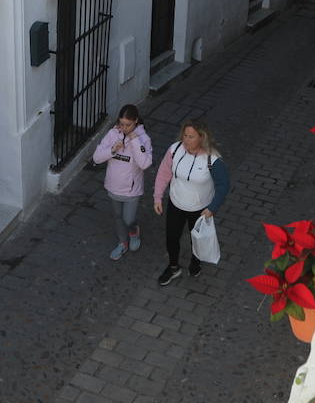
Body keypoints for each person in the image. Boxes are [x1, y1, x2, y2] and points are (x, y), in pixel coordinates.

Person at [152, 119, 231, 286]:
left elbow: (223, 185)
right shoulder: (174, 150)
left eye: (191, 137)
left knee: (197, 239)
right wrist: (157, 197)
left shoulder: (212, 159)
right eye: (185, 136)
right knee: (171, 238)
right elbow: (163, 173)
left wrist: (212, 208)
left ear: (201, 137)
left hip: (201, 209)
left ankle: (196, 261)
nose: (186, 140)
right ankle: (173, 267)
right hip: (176, 204)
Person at [91, 104, 153, 260]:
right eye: (121, 124)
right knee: (118, 217)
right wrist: (112, 150)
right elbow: (96, 158)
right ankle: (122, 243)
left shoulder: (143, 139)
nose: (124, 128)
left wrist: (134, 141)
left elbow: (145, 164)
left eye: (128, 125)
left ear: (136, 121)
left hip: (132, 190)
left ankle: (134, 231)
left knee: (128, 219)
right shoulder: (113, 134)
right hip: (113, 186)